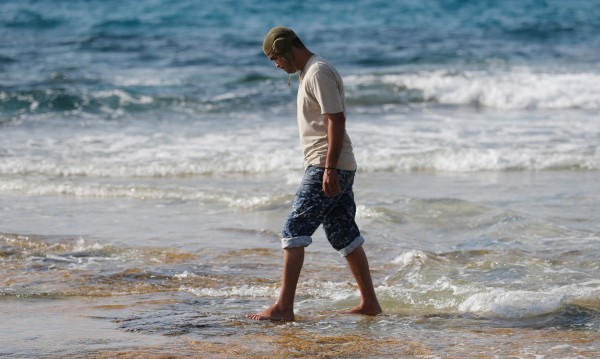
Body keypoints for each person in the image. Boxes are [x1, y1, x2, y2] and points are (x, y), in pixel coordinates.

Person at [247, 27, 382, 321]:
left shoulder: (318, 71)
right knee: (344, 234)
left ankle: (284, 307)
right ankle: (370, 303)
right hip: (333, 164)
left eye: (274, 58)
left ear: (284, 49)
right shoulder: (307, 73)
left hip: (327, 164)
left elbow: (336, 120)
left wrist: (329, 168)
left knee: (293, 230)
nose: (276, 65)